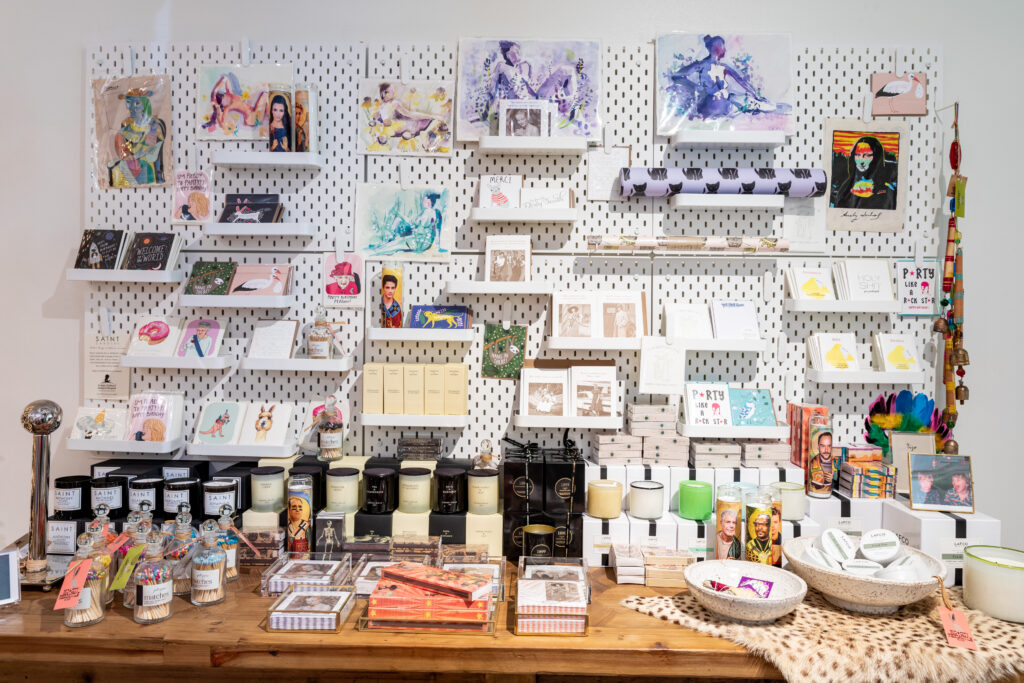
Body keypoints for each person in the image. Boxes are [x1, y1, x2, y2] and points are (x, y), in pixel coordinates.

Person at [666, 34, 776, 122]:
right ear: (714, 48)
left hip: (724, 103)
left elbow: (742, 82)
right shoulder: (702, 65)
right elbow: (676, 76)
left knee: (749, 101)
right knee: (749, 103)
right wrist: (695, 86)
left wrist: (756, 95)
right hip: (712, 105)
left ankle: (759, 104)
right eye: (721, 46)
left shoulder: (723, 67)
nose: (724, 49)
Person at [485, 41, 582, 127]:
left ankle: (573, 108)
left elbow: (530, 86)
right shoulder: (502, 66)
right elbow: (492, 89)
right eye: (512, 53)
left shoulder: (524, 65)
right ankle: (567, 108)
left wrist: (543, 81)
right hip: (520, 103)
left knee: (567, 70)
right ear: (506, 55)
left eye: (518, 52)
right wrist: (487, 109)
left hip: (536, 98)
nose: (516, 56)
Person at [108, 87, 167, 188]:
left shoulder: (154, 125)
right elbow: (123, 153)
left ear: (144, 105)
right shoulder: (124, 129)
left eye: (137, 103)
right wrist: (127, 157)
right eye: (128, 102)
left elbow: (150, 153)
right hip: (130, 165)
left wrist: (134, 158)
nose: (132, 107)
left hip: (147, 167)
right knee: (117, 169)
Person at [370, 192, 445, 257]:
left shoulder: (428, 212)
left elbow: (420, 227)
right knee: (398, 227)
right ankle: (383, 245)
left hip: (418, 242)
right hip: (420, 239)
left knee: (396, 244)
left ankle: (379, 248)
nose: (423, 202)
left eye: (424, 201)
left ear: (428, 202)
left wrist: (414, 224)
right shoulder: (433, 212)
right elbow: (435, 230)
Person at [831, 136, 897, 210]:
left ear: (876, 157)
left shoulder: (886, 190)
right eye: (858, 155)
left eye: (867, 155)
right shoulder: (845, 188)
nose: (861, 160)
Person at [202, 72, 268, 137]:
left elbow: (225, 79)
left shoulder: (231, 93)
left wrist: (213, 96)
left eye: (225, 97)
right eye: (224, 102)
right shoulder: (228, 108)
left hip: (253, 111)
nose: (226, 100)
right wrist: (216, 107)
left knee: (264, 95)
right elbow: (222, 124)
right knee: (265, 95)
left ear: (225, 94)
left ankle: (267, 114)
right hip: (250, 118)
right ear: (223, 105)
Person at [807, 430, 834, 495]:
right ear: (818, 447)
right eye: (823, 446)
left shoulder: (836, 462)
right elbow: (811, 484)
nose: (826, 450)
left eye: (829, 446)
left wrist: (833, 480)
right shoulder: (812, 463)